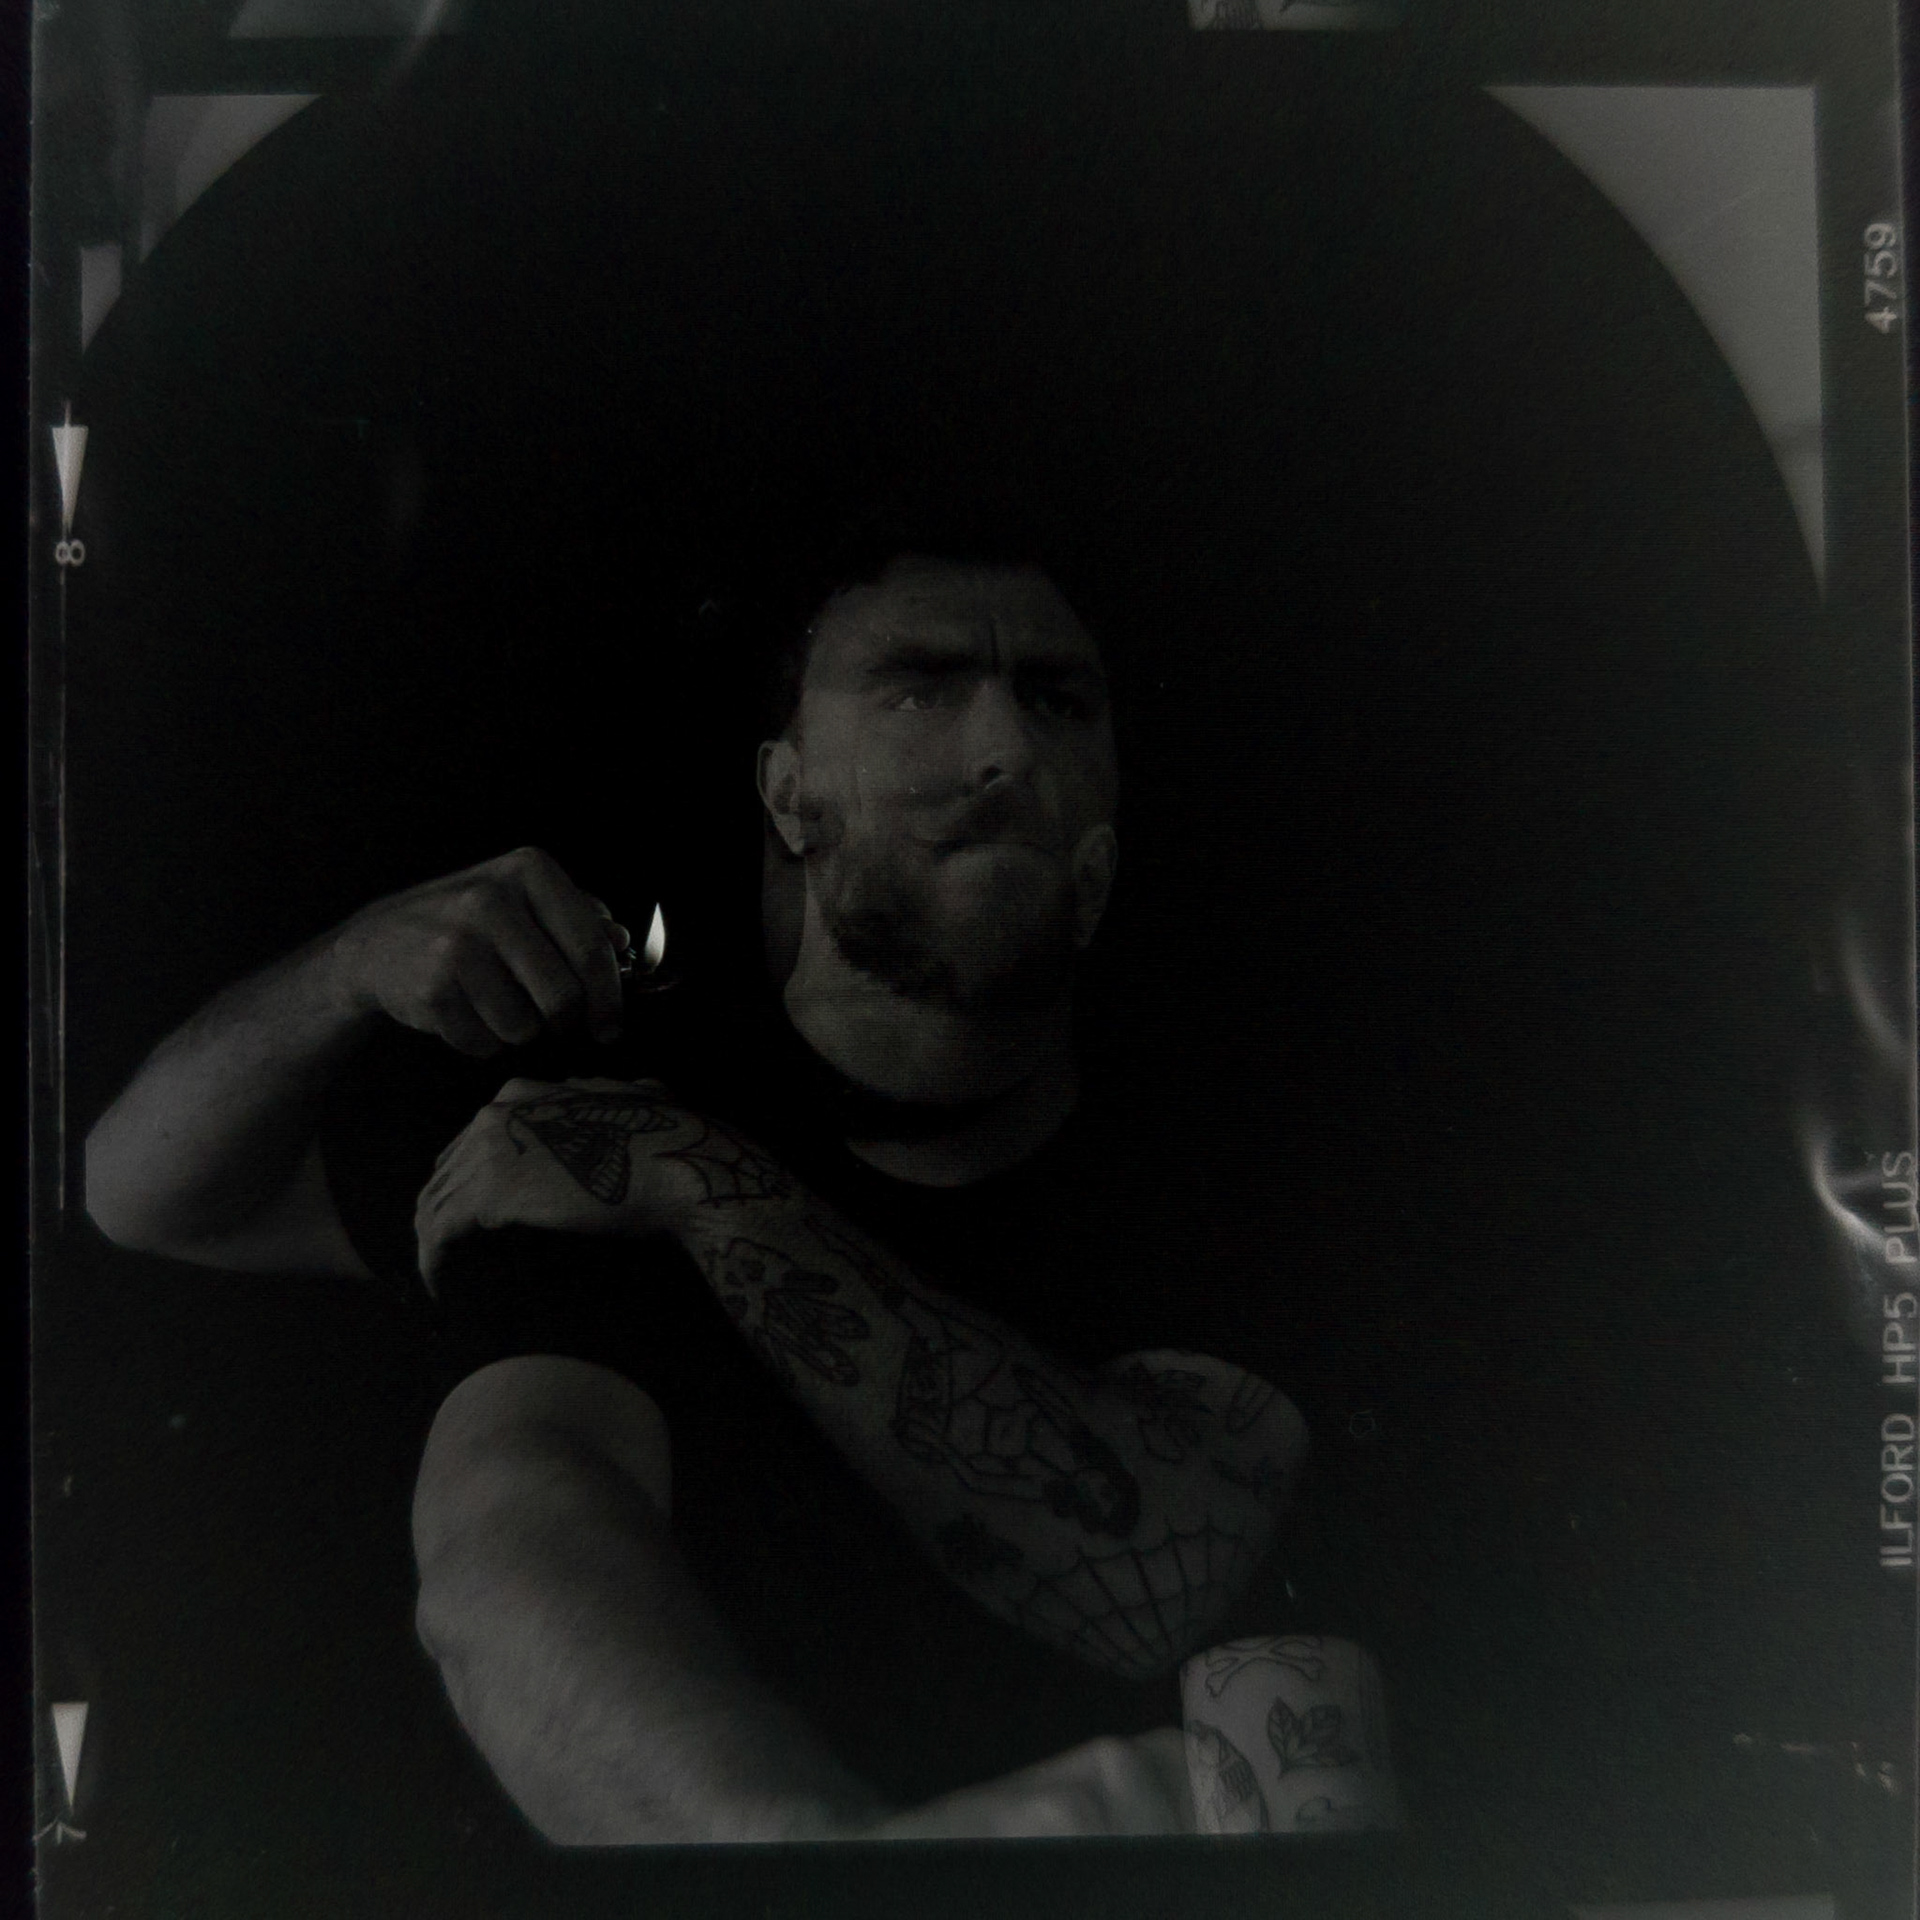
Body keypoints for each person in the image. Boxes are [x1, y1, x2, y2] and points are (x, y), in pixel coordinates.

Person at [85, 550, 1323, 1843]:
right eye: (919, 690)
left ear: (1109, 812)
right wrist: (345, 968)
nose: (1007, 749)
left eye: (1061, 702)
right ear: (789, 794)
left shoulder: (1226, 1142)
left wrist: (700, 1184)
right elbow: (516, 1530)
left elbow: (1155, 1578)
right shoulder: (597, 1099)